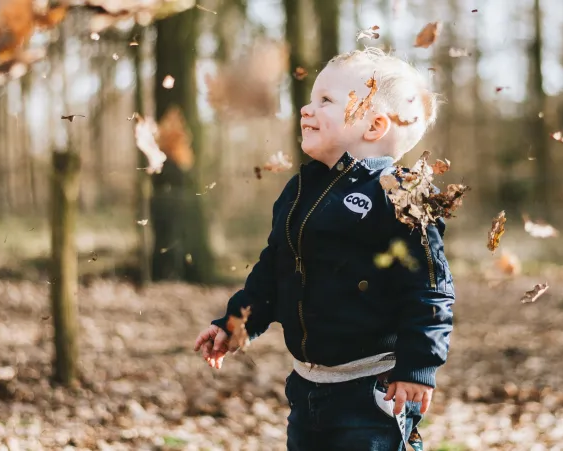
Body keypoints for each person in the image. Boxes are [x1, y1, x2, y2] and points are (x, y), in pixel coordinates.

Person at [194, 47, 456, 451]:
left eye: (326, 101)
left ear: (374, 126)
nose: (305, 108)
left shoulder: (402, 197)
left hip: (373, 390)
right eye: (312, 98)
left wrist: (418, 367)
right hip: (307, 386)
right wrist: (235, 324)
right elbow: (274, 269)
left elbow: (430, 288)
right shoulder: (301, 189)